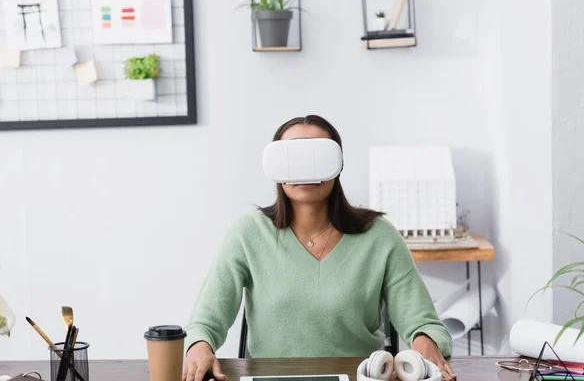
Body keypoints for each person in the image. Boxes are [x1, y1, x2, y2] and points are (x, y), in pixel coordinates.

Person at [183, 115, 456, 381]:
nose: (305, 170)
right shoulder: (249, 233)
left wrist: (424, 341)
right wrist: (199, 345)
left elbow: (425, 323)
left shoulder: (380, 237)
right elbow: (206, 321)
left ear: (338, 164)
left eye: (317, 157)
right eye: (293, 158)